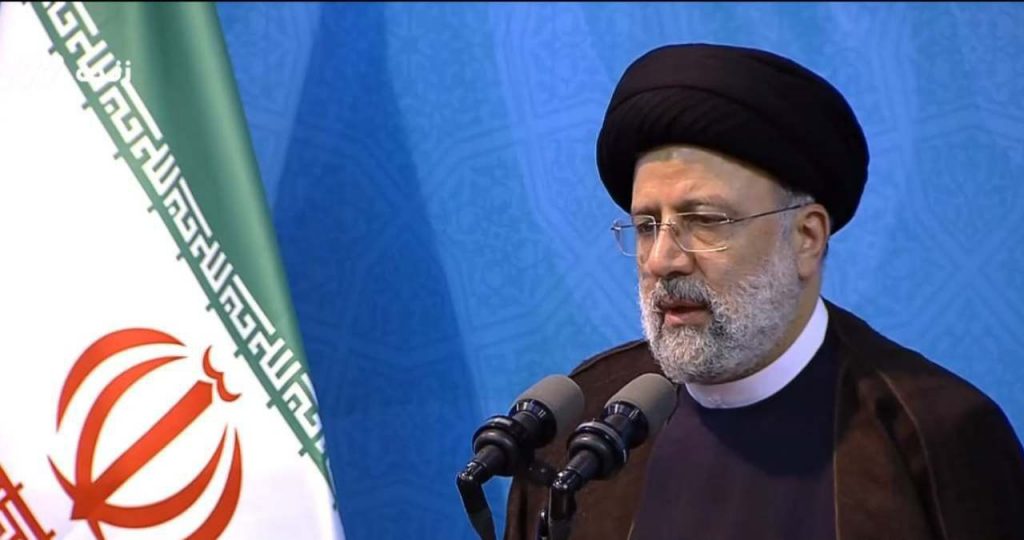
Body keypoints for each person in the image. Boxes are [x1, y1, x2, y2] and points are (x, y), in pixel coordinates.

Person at [503, 43, 1024, 540]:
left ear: (806, 238)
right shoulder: (582, 422)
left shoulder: (933, 434)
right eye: (645, 226)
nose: (662, 260)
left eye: (704, 221)